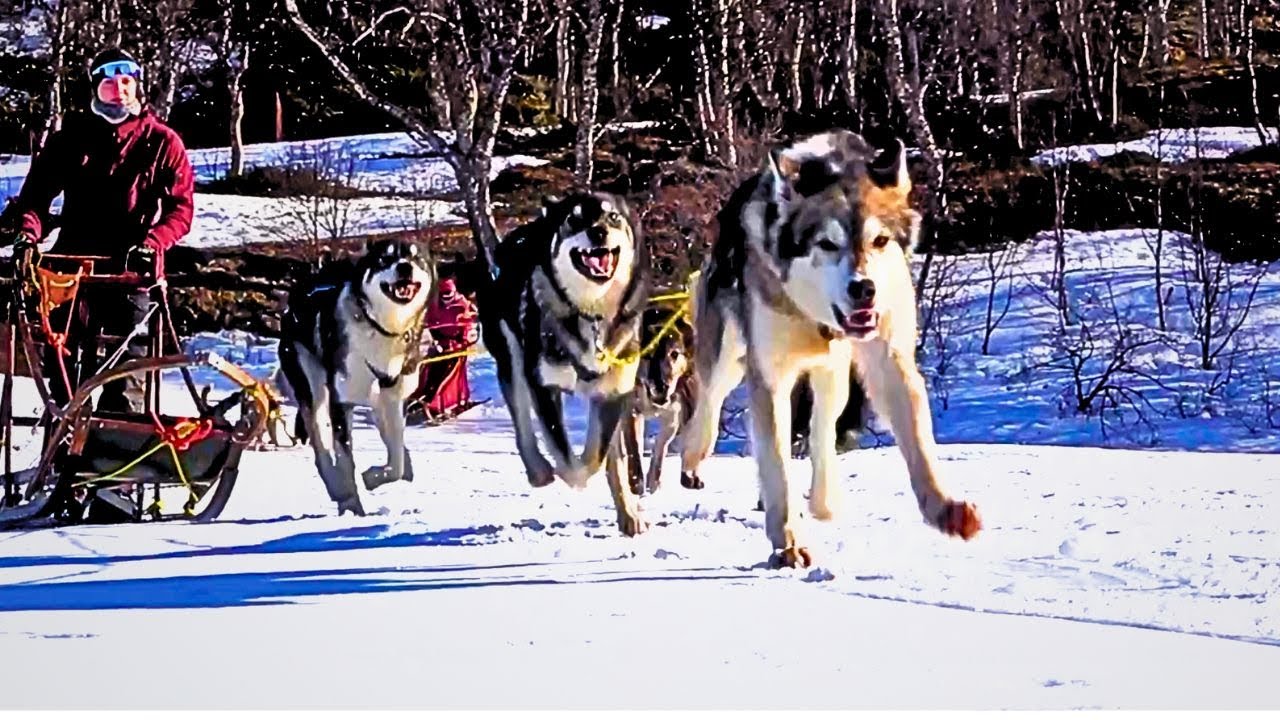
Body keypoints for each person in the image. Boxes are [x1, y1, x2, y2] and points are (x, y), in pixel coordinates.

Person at [0, 46, 195, 414]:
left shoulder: (163, 142)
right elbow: (35, 199)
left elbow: (181, 210)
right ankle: (65, 443)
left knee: (128, 371)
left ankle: (111, 460)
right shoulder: (69, 139)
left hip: (129, 270)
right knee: (62, 368)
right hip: (69, 269)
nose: (118, 89)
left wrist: (154, 242)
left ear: (137, 87)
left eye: (126, 81)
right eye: (108, 82)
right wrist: (27, 235)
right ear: (95, 88)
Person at [411, 277, 479, 422]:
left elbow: (469, 330)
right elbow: (429, 324)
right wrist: (435, 340)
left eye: (449, 296)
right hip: (439, 346)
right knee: (429, 370)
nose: (446, 299)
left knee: (447, 372)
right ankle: (422, 395)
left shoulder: (462, 305)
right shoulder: (435, 305)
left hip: (457, 348)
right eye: (443, 296)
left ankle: (437, 401)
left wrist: (455, 343)